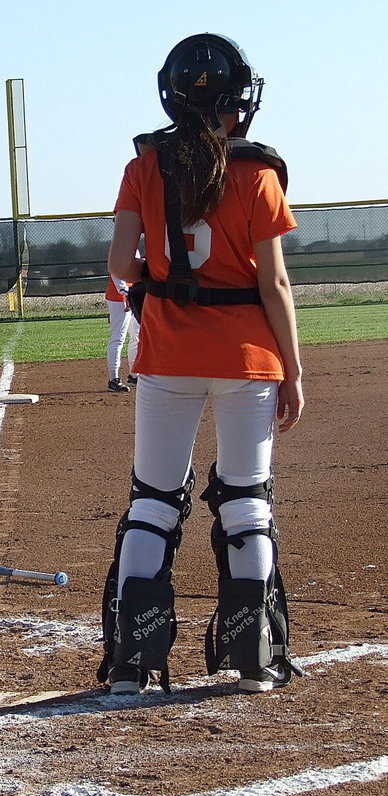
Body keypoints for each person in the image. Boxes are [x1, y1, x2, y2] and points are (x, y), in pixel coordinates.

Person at [99, 33, 304, 696]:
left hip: (168, 353)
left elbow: (119, 267)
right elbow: (273, 284)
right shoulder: (258, 173)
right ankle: (254, 659)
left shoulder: (144, 166)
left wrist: (164, 276)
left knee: (154, 501)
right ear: (238, 102)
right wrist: (294, 371)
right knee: (246, 502)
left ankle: (132, 662)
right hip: (248, 356)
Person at [105, 274, 140, 392]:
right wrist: (126, 294)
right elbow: (116, 273)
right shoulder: (117, 254)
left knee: (136, 337)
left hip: (132, 295)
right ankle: (113, 379)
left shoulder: (135, 254)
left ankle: (134, 375)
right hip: (118, 299)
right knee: (118, 338)